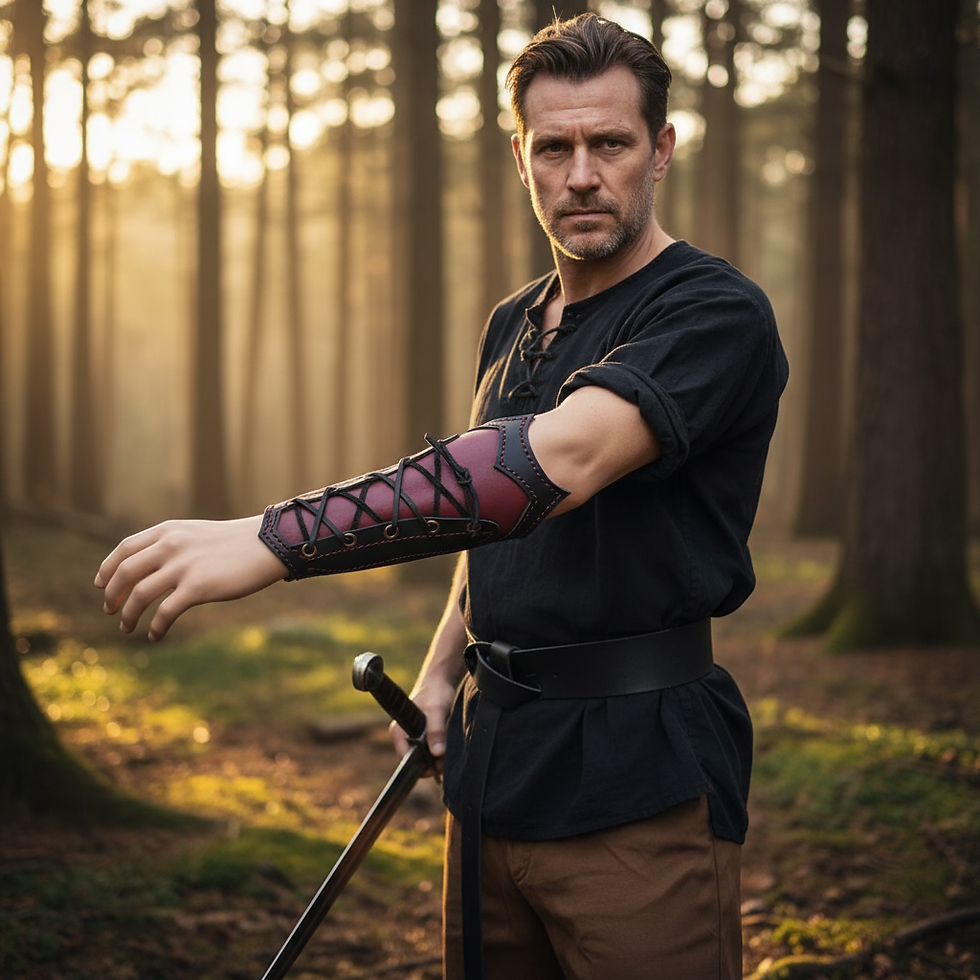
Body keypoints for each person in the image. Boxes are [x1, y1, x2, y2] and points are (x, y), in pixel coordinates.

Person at [97, 14, 788, 980]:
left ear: (661, 149)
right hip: (490, 767)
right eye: (554, 148)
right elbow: (484, 526)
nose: (581, 175)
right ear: (520, 157)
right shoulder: (514, 322)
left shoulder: (713, 313)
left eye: (610, 144)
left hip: (641, 778)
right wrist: (435, 675)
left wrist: (274, 538)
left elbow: (541, 470)